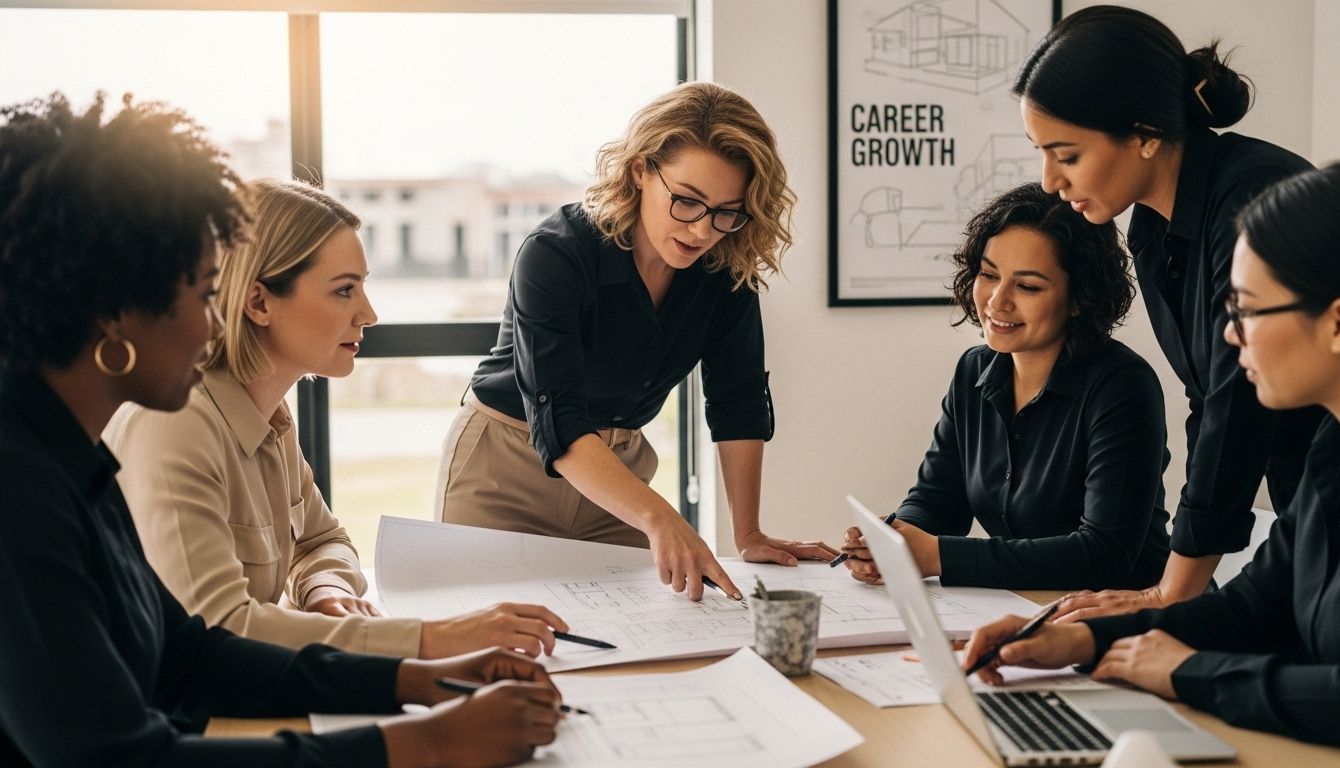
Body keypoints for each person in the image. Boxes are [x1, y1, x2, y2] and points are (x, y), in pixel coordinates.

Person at [0, 92, 561, 767]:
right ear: (120, 306)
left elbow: (189, 656)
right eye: (207, 294)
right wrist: (423, 741)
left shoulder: (70, 459)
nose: (216, 323)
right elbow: (115, 758)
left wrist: (418, 681)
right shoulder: (20, 490)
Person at [963, 161, 1340, 756]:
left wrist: (1183, 673)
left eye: (1247, 310)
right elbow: (1249, 611)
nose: (1229, 334)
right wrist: (1079, 640)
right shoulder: (1335, 447)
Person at [105, 178, 569, 660]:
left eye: (362, 287)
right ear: (259, 302)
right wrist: (433, 639)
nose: (368, 314)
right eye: (344, 290)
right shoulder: (176, 423)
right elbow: (217, 627)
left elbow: (322, 540)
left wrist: (325, 590)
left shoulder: (269, 418)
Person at [435, 81, 837, 602]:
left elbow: (738, 399)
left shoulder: (724, 272)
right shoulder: (556, 253)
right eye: (688, 202)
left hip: (616, 477)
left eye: (726, 212)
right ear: (641, 170)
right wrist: (660, 516)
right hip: (504, 468)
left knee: (641, 636)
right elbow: (558, 416)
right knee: (489, 645)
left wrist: (749, 533)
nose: (702, 231)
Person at [1013, 5, 1324, 620]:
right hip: (1311, 498)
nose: (1049, 181)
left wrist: (1173, 593)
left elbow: (1237, 406)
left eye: (1067, 156)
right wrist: (1180, 583)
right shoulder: (1152, 226)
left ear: (1146, 136)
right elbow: (1208, 401)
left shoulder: (1252, 200)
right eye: (1042, 153)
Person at [838, 183, 1170, 590]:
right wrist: (893, 543)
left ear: (1080, 297)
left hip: (1131, 618)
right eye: (988, 274)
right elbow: (937, 500)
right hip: (1028, 608)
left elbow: (1104, 554)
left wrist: (935, 555)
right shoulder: (973, 371)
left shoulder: (1121, 385)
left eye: (1027, 286)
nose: (997, 301)